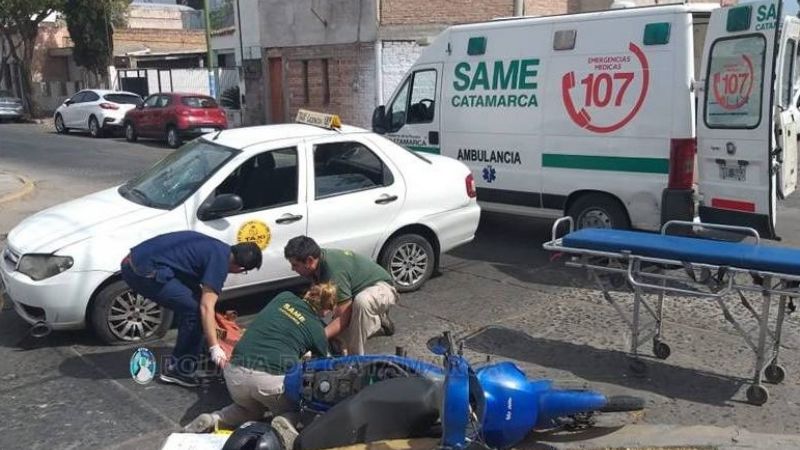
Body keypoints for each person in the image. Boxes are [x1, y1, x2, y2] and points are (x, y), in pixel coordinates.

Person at [184, 282, 335, 449]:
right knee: (304, 407)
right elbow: (323, 366)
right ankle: (284, 420)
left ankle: (215, 419)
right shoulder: (317, 329)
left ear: (309, 293)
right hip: (269, 382)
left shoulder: (283, 297)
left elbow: (282, 328)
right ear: (327, 310)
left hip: (234, 372)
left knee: (250, 410)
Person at [120, 231, 262, 388]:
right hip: (141, 272)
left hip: (134, 260)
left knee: (194, 300)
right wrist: (215, 348)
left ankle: (196, 348)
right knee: (195, 311)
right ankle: (179, 371)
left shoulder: (217, 247)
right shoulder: (220, 262)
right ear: (239, 268)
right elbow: (206, 307)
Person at [284, 236, 398, 355]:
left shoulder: (333, 270)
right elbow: (322, 309)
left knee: (361, 305)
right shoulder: (317, 265)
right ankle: (374, 322)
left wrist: (317, 339)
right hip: (356, 294)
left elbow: (343, 317)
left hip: (382, 289)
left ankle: (355, 359)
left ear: (309, 261)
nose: (292, 269)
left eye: (295, 265)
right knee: (337, 340)